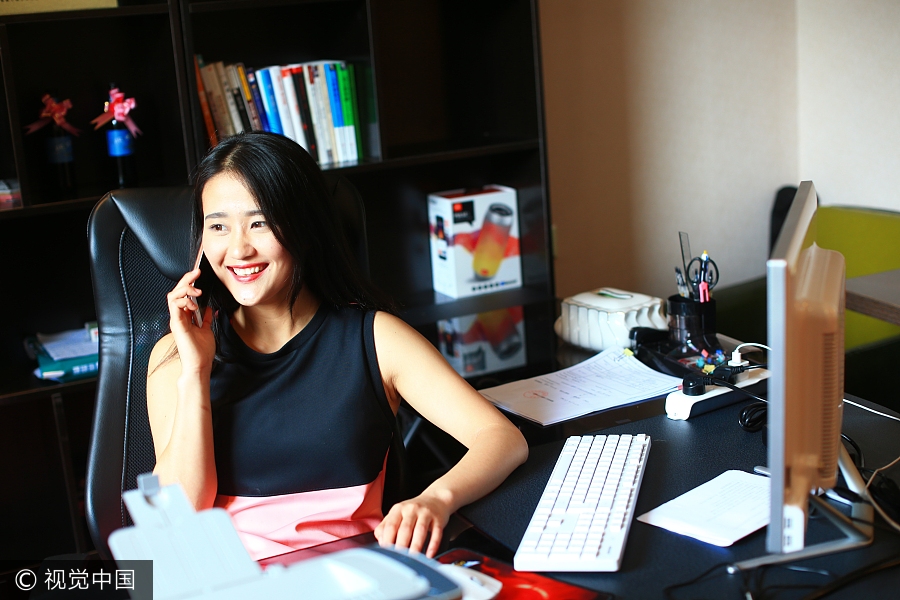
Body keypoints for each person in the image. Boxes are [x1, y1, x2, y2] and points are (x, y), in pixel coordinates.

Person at [146, 131, 528, 560]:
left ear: (303, 228)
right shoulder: (175, 356)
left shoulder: (377, 339)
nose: (238, 248)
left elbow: (500, 437)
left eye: (260, 222)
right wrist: (196, 373)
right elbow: (182, 515)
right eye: (218, 226)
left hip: (356, 577)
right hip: (228, 580)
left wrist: (437, 499)